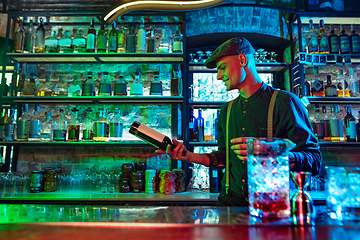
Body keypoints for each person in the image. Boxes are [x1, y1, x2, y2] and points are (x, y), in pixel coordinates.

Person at [156, 37, 322, 206]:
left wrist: (273, 153)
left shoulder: (285, 102)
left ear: (242, 60)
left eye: (222, 67)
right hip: (230, 206)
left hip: (272, 209)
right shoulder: (226, 110)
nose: (219, 76)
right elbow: (224, 158)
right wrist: (188, 156)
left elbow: (314, 160)